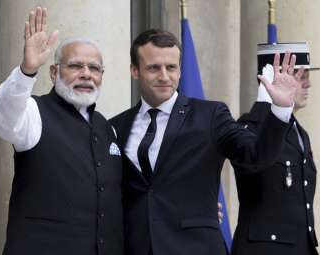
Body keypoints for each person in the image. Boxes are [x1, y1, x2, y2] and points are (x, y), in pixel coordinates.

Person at [110, 29, 303, 255]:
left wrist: (279, 109)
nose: (164, 76)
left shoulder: (210, 115)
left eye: (171, 67)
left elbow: (255, 156)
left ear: (180, 70)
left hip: (196, 247)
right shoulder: (115, 127)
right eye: (153, 68)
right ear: (135, 71)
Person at [0, 7, 123, 255]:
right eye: (75, 66)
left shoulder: (107, 128)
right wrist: (26, 71)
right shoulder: (33, 111)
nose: (86, 74)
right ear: (54, 72)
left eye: (94, 68)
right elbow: (2, 119)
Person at [231, 43, 319, 255]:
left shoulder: (300, 132)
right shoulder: (249, 127)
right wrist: (265, 103)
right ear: (273, 79)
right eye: (300, 76)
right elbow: (252, 161)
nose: (309, 84)